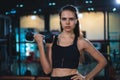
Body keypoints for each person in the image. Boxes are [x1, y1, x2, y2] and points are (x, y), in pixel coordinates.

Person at [34, 5, 107, 80]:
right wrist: (40, 44)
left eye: (71, 19)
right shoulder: (52, 41)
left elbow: (103, 61)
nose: (67, 22)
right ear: (60, 20)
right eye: (64, 19)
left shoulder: (81, 42)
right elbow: (47, 70)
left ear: (76, 20)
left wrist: (86, 78)